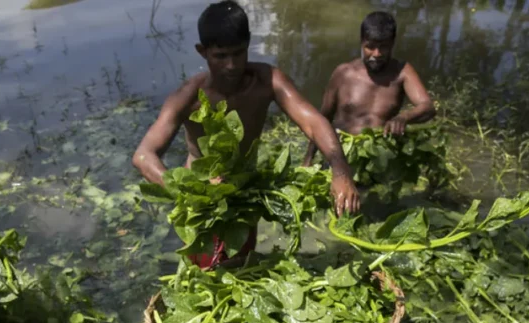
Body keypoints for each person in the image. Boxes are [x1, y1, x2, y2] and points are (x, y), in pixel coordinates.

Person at [132, 0, 360, 269]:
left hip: (244, 189)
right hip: (202, 199)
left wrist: (341, 171)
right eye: (220, 56)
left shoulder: (267, 81)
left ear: (249, 44)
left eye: (239, 53)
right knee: (205, 271)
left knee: (242, 264)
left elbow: (313, 122)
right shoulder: (189, 97)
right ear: (202, 52)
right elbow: (144, 156)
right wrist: (192, 192)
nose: (231, 65)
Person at [314, 11, 435, 142]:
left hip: (379, 154)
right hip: (341, 152)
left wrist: (403, 118)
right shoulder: (343, 73)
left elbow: (427, 107)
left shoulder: (402, 72)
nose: (376, 54)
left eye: (384, 47)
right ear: (361, 42)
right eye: (370, 47)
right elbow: (323, 120)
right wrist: (308, 160)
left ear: (392, 44)